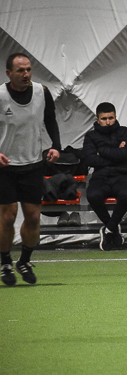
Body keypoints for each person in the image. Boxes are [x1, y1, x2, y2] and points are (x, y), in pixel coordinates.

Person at [0, 53, 62, 286]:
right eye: (20, 70)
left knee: (34, 217)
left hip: (33, 164)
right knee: (8, 217)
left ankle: (24, 261)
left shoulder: (41, 92)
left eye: (28, 69)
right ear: (9, 73)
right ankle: (5, 262)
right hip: (5, 167)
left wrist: (56, 146)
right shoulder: (0, 95)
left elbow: (50, 120)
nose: (26, 74)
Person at [83, 102, 127, 251]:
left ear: (115, 117)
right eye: (104, 119)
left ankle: (108, 230)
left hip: (122, 176)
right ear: (97, 119)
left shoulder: (125, 132)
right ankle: (113, 229)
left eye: (111, 118)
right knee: (93, 195)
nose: (108, 122)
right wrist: (117, 154)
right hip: (100, 177)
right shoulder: (90, 136)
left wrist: (101, 151)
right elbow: (90, 159)